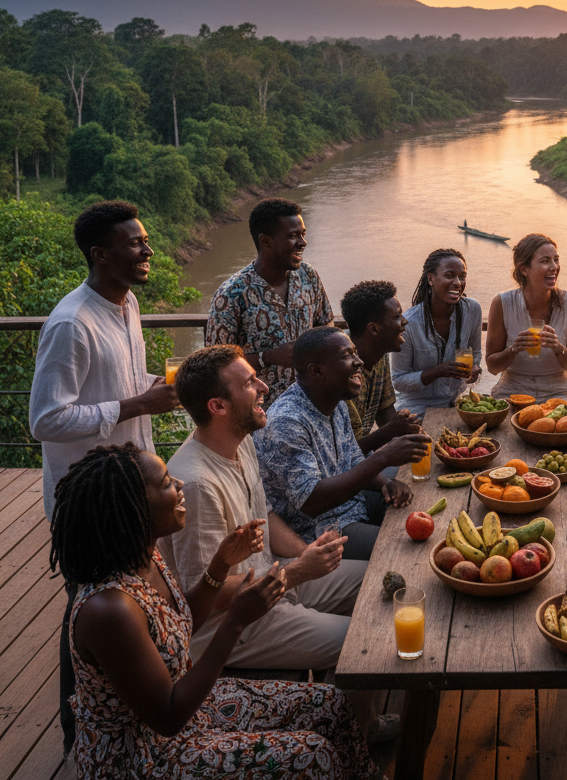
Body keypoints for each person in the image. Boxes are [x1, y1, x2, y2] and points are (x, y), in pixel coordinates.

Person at [50, 442, 377, 780]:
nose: (179, 485)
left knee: (332, 706)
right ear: (131, 509)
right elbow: (168, 715)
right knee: (312, 754)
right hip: (144, 754)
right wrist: (234, 622)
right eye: (165, 483)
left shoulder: (144, 557)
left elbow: (179, 623)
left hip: (191, 709)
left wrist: (220, 566)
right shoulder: (109, 610)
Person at [28, 199, 179, 755]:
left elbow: (113, 386)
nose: (148, 250)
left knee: (135, 607)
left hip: (129, 493)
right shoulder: (70, 324)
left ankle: (139, 718)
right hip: (87, 502)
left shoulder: (128, 303)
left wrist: (151, 394)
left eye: (145, 240)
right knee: (87, 616)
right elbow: (45, 418)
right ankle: (81, 740)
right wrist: (134, 404)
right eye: (135, 243)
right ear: (100, 255)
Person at [159, 345, 368, 672]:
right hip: (232, 624)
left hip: (273, 576)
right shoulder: (197, 484)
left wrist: (305, 554)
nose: (265, 388)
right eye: (250, 383)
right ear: (218, 406)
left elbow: (264, 513)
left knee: (379, 582)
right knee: (365, 643)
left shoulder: (240, 440)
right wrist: (298, 572)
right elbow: (206, 596)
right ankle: (354, 718)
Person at [256, 327, 429, 560]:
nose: (359, 362)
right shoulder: (287, 422)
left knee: (421, 512)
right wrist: (383, 457)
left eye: (355, 354)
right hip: (319, 530)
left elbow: (352, 460)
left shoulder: (333, 399)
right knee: (403, 549)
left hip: (351, 505)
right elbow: (312, 502)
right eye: (348, 356)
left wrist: (386, 483)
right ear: (316, 371)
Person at [206, 198, 334, 407]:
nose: (302, 242)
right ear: (265, 241)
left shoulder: (308, 276)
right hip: (256, 414)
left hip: (309, 406)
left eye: (303, 234)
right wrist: (269, 357)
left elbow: (326, 328)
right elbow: (214, 367)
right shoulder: (232, 294)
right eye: (292, 236)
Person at [485, 233, 567, 401]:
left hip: (558, 391)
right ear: (524, 269)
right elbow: (492, 367)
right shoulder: (502, 303)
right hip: (512, 389)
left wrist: (558, 347)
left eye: (556, 259)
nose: (554, 267)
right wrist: (513, 349)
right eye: (545, 261)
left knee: (564, 424)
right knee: (504, 424)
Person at [391, 248, 483, 413]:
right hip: (417, 408)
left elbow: (474, 353)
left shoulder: (472, 310)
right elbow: (398, 380)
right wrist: (437, 371)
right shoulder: (409, 323)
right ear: (431, 279)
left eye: (462, 277)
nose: (458, 283)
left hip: (457, 404)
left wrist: (474, 370)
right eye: (449, 276)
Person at [340, 280, 425, 450]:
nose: (404, 321)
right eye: (396, 317)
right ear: (373, 329)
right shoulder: (340, 368)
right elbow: (343, 455)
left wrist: (408, 431)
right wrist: (389, 432)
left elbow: (384, 411)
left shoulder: (379, 354)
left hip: (361, 460)